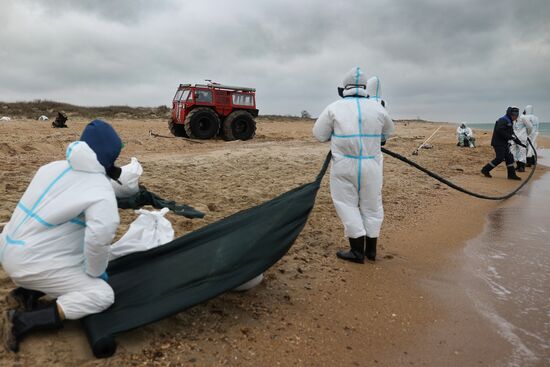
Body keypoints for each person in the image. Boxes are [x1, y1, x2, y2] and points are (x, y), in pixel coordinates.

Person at [0, 119, 123, 352]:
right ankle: (22, 322)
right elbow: (99, 238)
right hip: (28, 261)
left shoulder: (51, 167)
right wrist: (95, 274)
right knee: (101, 294)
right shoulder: (100, 190)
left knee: (68, 237)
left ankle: (26, 293)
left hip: (7, 247)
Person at [313, 67, 394, 263]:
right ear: (364, 87)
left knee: (347, 204)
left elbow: (319, 134)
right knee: (372, 205)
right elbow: (388, 132)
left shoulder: (334, 107)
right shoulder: (377, 108)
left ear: (344, 87)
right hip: (371, 164)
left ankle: (357, 251)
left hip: (344, 165)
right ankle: (371, 251)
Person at [481, 107, 524, 180]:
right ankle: (485, 170)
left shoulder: (509, 121)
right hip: (498, 143)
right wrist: (510, 137)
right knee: (499, 158)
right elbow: (499, 130)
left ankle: (511, 175)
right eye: (515, 116)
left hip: (504, 143)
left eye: (517, 116)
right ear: (510, 114)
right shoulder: (503, 120)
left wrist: (519, 143)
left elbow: (512, 134)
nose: (516, 117)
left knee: (510, 158)